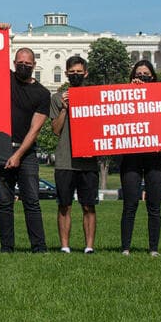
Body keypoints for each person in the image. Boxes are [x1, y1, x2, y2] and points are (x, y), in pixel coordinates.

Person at [0, 48, 49, 253]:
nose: (23, 66)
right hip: (0, 150)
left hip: (27, 153)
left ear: (34, 65)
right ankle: (7, 248)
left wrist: (18, 155)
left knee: (31, 201)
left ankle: (39, 247)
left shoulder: (42, 94)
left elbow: (35, 130)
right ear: (14, 63)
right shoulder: (6, 80)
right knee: (4, 203)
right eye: (19, 62)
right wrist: (2, 32)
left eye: (27, 63)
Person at [50, 55, 99, 254]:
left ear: (86, 73)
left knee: (89, 206)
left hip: (88, 160)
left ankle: (89, 246)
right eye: (72, 72)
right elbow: (55, 129)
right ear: (66, 74)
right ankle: (64, 246)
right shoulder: (57, 98)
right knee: (64, 205)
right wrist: (64, 108)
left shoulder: (95, 96)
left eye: (79, 72)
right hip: (65, 160)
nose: (76, 75)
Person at [119, 59, 161, 257]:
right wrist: (130, 92)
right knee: (130, 204)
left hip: (155, 156)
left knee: (154, 205)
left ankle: (153, 248)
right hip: (131, 156)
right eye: (138, 74)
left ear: (153, 77)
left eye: (146, 74)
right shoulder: (122, 96)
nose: (142, 77)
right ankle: (126, 247)